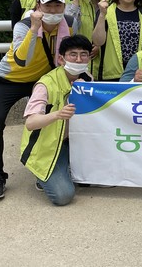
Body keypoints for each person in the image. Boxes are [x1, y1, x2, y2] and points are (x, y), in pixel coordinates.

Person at [0, 0, 74, 201]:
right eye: (48, 5)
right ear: (38, 6)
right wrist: (35, 28)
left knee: (54, 119)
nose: (53, 9)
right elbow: (22, 60)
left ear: (64, 5)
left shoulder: (69, 23)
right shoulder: (24, 25)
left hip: (41, 80)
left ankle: (45, 166)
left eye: (58, 5)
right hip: (7, 79)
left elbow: (71, 51)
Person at [19, 34, 93, 206]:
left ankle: (68, 168)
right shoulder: (45, 84)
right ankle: (44, 174)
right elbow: (30, 123)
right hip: (49, 146)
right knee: (63, 195)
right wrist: (58, 114)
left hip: (75, 141)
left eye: (84, 54)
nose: (79, 59)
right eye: (73, 55)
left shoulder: (87, 78)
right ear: (61, 59)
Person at [91, 0, 142, 81]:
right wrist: (102, 15)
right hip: (111, 74)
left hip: (140, 73)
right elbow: (98, 41)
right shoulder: (106, 12)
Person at [63, 0, 113, 74]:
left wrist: (100, 47)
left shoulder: (113, 6)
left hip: (106, 67)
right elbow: (68, 29)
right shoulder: (73, 5)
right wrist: (76, 1)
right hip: (78, 64)